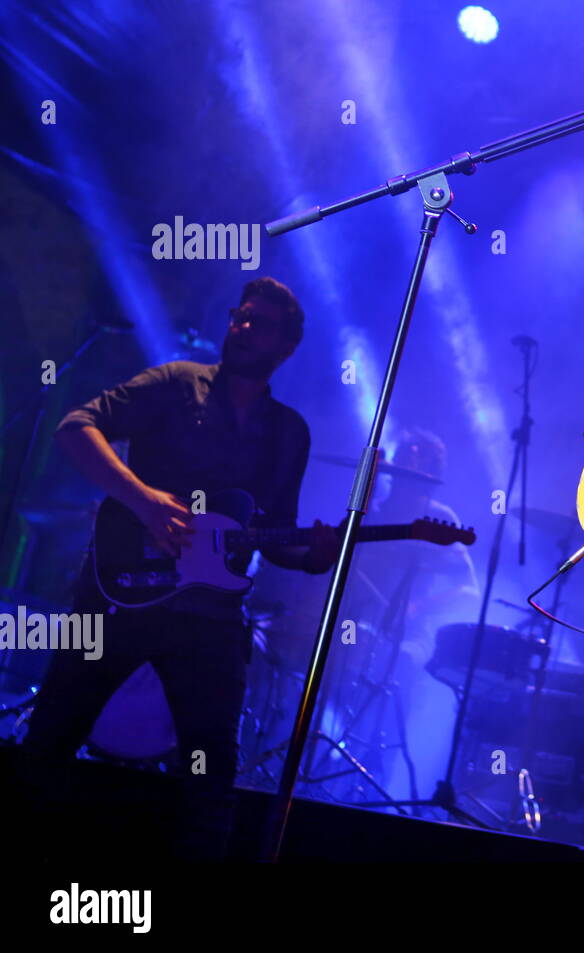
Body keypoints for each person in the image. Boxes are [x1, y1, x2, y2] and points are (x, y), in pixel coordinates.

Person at [19, 276, 341, 861]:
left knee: (212, 771)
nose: (242, 327)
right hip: (117, 596)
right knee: (49, 743)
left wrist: (312, 556)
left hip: (211, 618)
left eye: (258, 323)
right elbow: (76, 428)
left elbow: (276, 534)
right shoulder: (174, 382)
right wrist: (145, 500)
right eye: (238, 316)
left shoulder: (289, 432)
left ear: (285, 347)